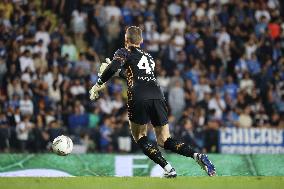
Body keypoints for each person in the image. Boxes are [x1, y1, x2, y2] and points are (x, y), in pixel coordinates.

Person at [89, 26, 216, 177]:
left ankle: (168, 168)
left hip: (138, 96)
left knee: (140, 137)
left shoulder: (124, 51)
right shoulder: (149, 57)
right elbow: (136, 76)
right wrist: (116, 72)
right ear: (141, 40)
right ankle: (197, 156)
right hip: (157, 94)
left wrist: (99, 83)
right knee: (165, 140)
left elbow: (119, 68)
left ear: (126, 39)